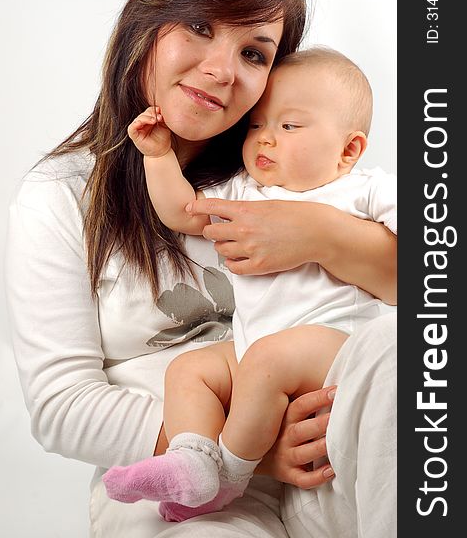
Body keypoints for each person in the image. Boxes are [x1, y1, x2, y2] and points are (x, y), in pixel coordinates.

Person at [5, 0, 397, 537]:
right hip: (189, 475)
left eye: (254, 52)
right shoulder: (60, 196)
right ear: (146, 21)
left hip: (332, 450)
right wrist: (250, 448)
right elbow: (62, 407)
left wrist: (320, 233)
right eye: (197, 24)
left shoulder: (275, 177)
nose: (222, 70)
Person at [101, 46, 397, 521]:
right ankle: (193, 462)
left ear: (348, 150)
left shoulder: (361, 189)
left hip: (336, 347)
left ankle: (228, 479)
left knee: (268, 358)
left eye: (289, 126)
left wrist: (333, 234)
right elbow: (183, 212)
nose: (265, 140)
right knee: (191, 371)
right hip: (256, 350)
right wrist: (157, 156)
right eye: (257, 125)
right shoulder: (244, 189)